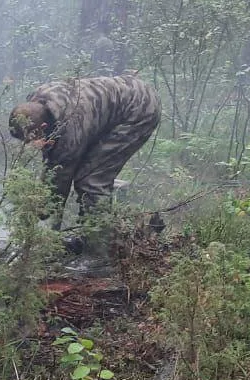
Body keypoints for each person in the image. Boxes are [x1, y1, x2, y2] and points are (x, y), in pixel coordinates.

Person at [9, 72, 161, 274]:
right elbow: (53, 162)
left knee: (92, 180)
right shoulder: (37, 104)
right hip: (124, 97)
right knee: (88, 173)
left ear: (44, 127)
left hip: (138, 111)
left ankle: (98, 256)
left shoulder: (70, 129)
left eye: (31, 140)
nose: (30, 146)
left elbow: (58, 183)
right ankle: (87, 235)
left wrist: (42, 230)